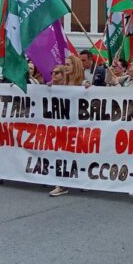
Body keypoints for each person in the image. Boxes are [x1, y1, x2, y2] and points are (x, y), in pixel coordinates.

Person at [49, 56, 85, 197]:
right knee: (62, 153)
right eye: (65, 64)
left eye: (68, 64)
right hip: (63, 126)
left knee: (77, 154)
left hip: (78, 126)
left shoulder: (82, 83)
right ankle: (62, 184)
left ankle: (81, 180)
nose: (66, 66)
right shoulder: (62, 86)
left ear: (75, 66)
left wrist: (89, 87)